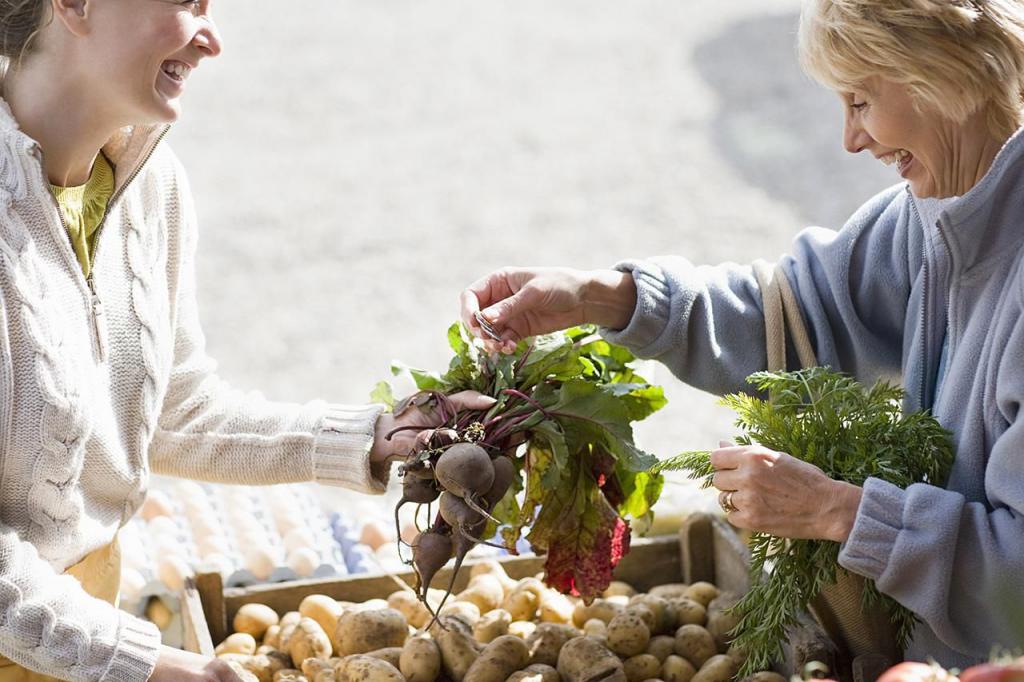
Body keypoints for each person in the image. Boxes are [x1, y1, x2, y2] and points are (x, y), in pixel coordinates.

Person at [461, 0, 1024, 668]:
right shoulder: (940, 214)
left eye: (859, 101)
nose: (850, 139)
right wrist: (607, 297)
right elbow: (796, 310)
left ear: (941, 78)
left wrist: (840, 512)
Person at [0, 0, 492, 680]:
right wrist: (166, 668)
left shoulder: (153, 187)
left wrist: (368, 437)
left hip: (81, 640)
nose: (212, 41)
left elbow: (173, 410)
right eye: (186, 3)